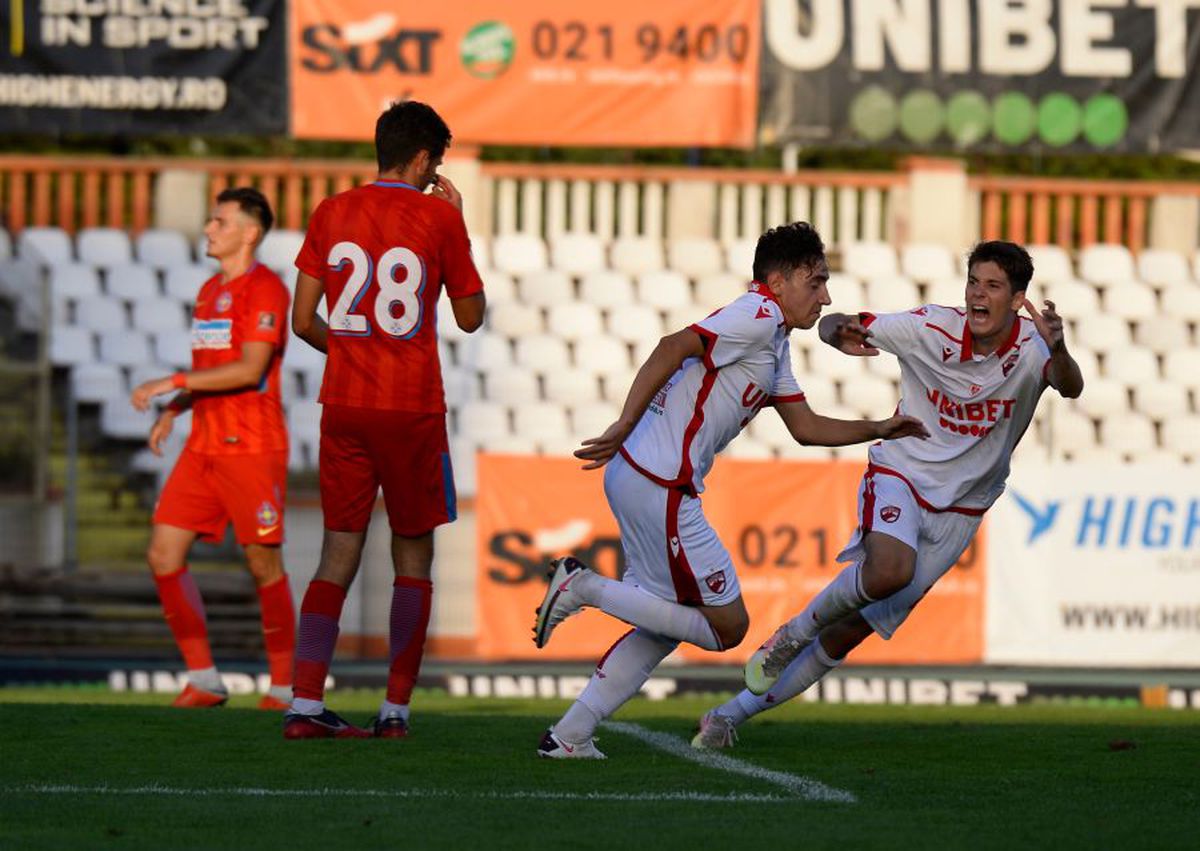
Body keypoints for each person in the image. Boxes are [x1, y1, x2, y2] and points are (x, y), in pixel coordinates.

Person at [531, 222, 929, 759]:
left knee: (665, 623)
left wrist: (878, 428)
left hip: (645, 477)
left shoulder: (775, 340)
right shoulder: (758, 314)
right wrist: (624, 422)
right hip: (661, 483)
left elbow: (806, 428)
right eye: (816, 281)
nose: (825, 295)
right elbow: (674, 345)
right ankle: (582, 588)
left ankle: (569, 736)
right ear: (780, 280)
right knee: (727, 627)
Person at [692, 239, 1084, 749]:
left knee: (848, 632)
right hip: (902, 471)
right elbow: (837, 322)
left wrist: (1058, 347)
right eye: (972, 283)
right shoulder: (929, 327)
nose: (977, 296)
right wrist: (840, 334)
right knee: (888, 570)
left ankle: (727, 718)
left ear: (1016, 300)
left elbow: (1069, 386)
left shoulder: (1035, 348)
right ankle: (789, 634)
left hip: (962, 508)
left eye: (992, 286)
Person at [284, 100, 486, 740]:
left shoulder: (331, 211)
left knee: (335, 552)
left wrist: (352, 351)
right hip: (411, 407)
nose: (436, 178)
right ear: (424, 157)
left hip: (343, 405)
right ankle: (395, 711)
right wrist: (457, 225)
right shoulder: (437, 216)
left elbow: (302, 321)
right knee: (413, 556)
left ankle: (305, 704)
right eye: (436, 166)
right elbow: (472, 316)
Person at [131, 187, 295, 710]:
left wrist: (168, 382)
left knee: (262, 564)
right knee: (163, 554)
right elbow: (210, 371)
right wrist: (176, 407)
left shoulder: (267, 290)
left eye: (220, 222)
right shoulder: (208, 292)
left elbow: (249, 369)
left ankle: (288, 688)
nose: (209, 229)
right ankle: (204, 679)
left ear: (250, 233)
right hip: (203, 445)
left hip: (251, 447)